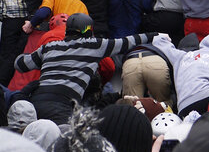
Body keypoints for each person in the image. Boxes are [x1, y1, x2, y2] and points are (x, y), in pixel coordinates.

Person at [15, 14, 153, 124]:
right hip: (63, 105)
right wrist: (155, 36)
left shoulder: (49, 47)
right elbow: (127, 42)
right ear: (89, 30)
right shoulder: (94, 45)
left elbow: (20, 65)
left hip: (36, 101)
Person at [150, 32, 209, 116]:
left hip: (183, 106)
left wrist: (162, 36)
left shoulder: (181, 56)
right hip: (207, 96)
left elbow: (159, 42)